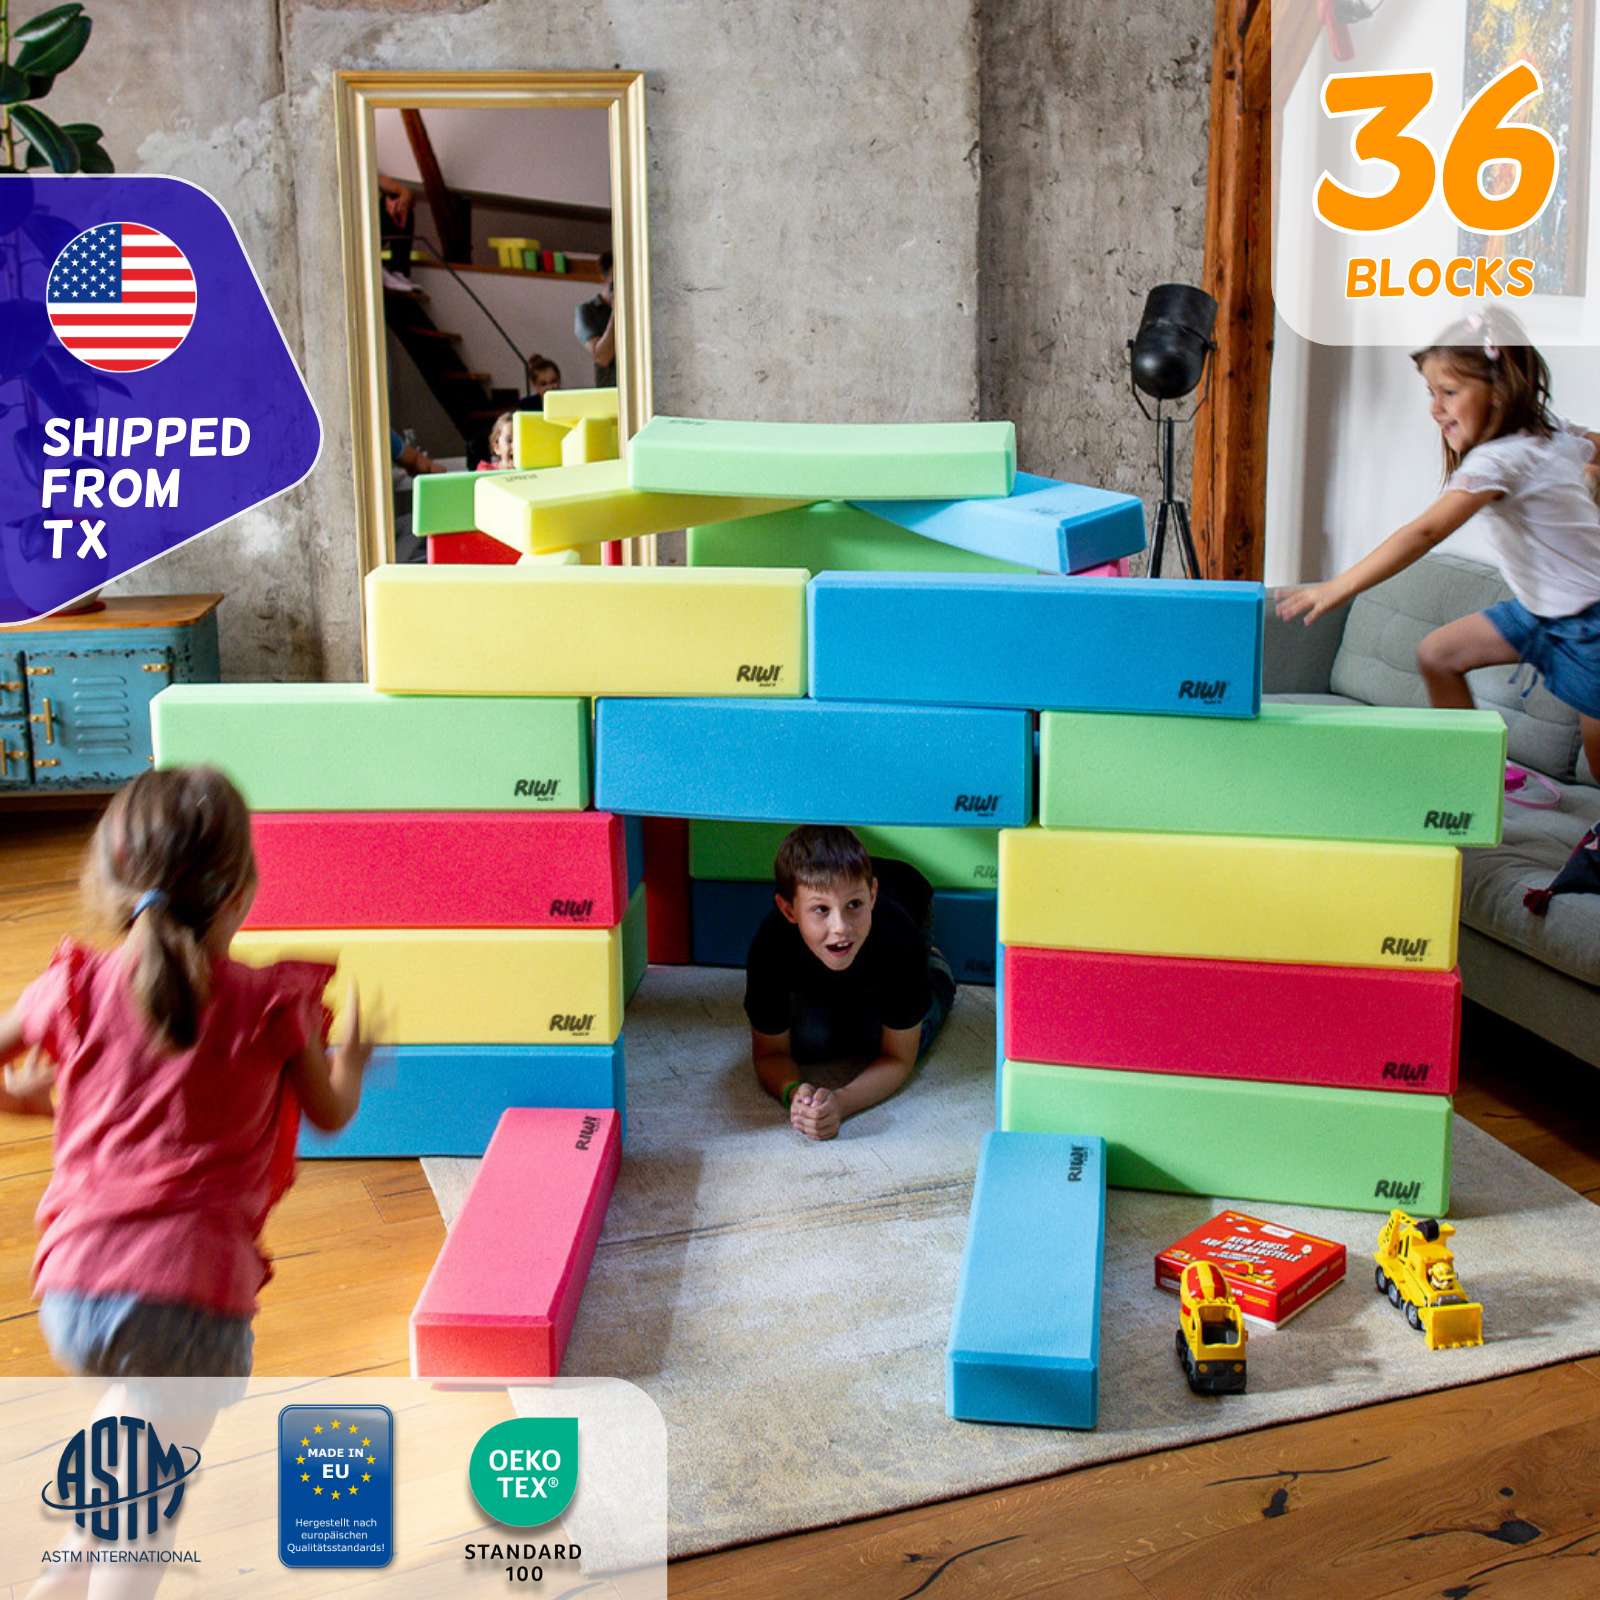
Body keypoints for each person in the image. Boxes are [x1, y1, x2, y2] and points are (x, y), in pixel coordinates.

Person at [0, 766, 379, 1381]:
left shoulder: (71, 988)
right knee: (159, 1452)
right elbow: (331, 1114)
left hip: (73, 1292)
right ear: (239, 894)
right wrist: (354, 1061)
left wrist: (19, 1102)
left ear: (110, 884)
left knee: (138, 1438)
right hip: (195, 1301)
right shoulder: (269, 1006)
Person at [1278, 309, 1600, 782]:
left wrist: (1337, 587)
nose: (1435, 408)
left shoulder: (1499, 461)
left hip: (1589, 623)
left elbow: (1425, 532)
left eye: (1449, 392)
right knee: (1438, 653)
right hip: (1540, 612)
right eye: (1432, 392)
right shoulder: (1545, 432)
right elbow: (1589, 443)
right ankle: (1473, 773)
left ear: (1500, 390)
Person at [744, 826, 957, 1142]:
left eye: (854, 906)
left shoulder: (898, 937)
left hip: (907, 902)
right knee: (810, 1040)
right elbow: (769, 1053)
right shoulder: (770, 945)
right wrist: (795, 1094)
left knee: (878, 1036)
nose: (840, 927)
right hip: (831, 963)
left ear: (871, 895)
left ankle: (935, 965)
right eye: (821, 910)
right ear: (789, 910)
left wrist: (841, 1102)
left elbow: (898, 1058)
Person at [574, 250, 616, 386]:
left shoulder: (639, 309)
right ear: (605, 278)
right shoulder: (586, 311)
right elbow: (602, 357)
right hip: (610, 393)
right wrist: (618, 312)